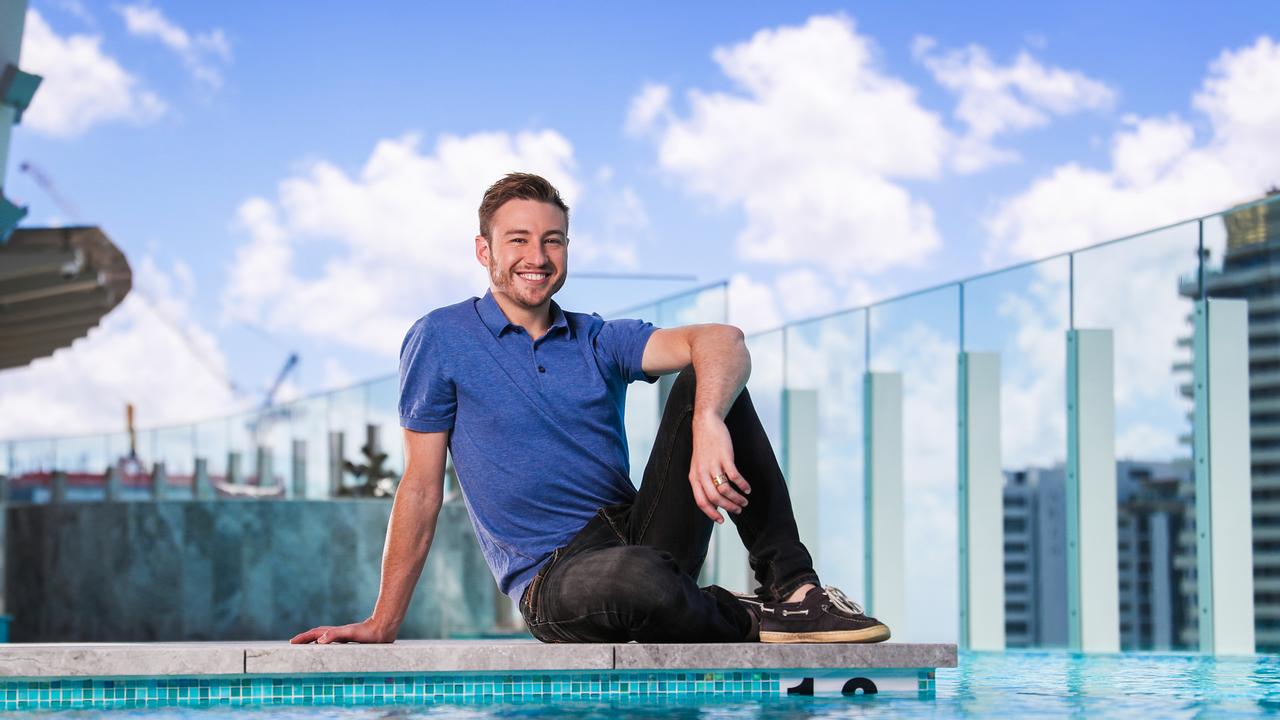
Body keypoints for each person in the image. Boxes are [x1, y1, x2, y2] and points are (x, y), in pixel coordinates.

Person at [291, 173, 889, 645]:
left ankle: (793, 590)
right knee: (639, 583)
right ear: (484, 250)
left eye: (552, 240)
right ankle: (745, 616)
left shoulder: (597, 338)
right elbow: (421, 487)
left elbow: (723, 340)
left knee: (706, 384)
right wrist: (383, 622)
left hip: (637, 532)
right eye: (518, 239)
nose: (538, 255)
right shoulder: (440, 338)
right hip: (552, 575)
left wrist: (706, 420)